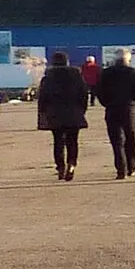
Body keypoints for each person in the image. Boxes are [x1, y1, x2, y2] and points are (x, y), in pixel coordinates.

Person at [37, 52, 89, 181]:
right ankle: (71, 164)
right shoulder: (76, 75)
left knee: (58, 141)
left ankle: (60, 167)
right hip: (74, 112)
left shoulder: (48, 76)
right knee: (73, 140)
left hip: (55, 113)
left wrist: (43, 111)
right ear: (67, 61)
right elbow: (83, 94)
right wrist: (82, 109)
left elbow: (42, 96)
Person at [97, 49, 135, 179]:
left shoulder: (106, 73)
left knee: (117, 141)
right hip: (130, 109)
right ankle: (132, 166)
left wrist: (106, 103)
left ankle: (121, 170)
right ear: (128, 59)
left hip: (112, 109)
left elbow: (100, 91)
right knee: (131, 139)